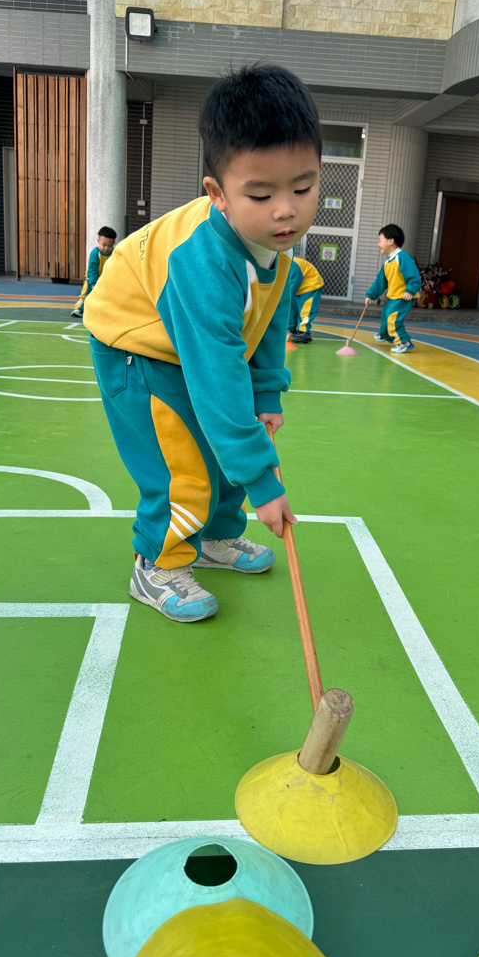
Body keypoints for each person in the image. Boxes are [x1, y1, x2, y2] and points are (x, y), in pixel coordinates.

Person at [83, 65, 321, 623]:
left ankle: (214, 537)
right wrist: (262, 481)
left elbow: (267, 317)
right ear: (218, 194)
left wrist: (267, 394)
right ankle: (157, 563)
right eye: (260, 194)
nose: (286, 209)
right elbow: (217, 377)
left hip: (186, 340)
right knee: (182, 463)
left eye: (303, 187)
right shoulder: (203, 264)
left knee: (224, 444)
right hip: (136, 344)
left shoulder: (275, 243)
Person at [365, 224, 421, 354]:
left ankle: (403, 341)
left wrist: (410, 291)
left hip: (404, 296)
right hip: (394, 296)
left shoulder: (403, 257)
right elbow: (380, 282)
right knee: (386, 314)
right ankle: (386, 335)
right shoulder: (388, 262)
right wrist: (371, 295)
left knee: (393, 317)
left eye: (380, 240)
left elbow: (414, 276)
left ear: (390, 241)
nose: (378, 244)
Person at [72, 227, 117, 318]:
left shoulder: (114, 253)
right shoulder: (95, 253)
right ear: (98, 241)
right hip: (93, 279)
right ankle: (80, 309)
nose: (106, 248)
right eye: (104, 245)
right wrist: (93, 283)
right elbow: (92, 270)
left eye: (109, 246)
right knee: (87, 293)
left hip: (105, 279)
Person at [288, 256, 324, 343]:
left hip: (310, 287)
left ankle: (304, 332)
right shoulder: (278, 265)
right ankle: (290, 328)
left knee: (306, 310)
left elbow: (294, 284)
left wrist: (283, 300)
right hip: (298, 288)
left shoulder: (293, 265)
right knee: (291, 310)